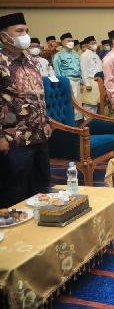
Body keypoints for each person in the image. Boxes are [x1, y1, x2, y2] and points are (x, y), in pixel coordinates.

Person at [0, 13, 52, 208]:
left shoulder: (31, 59)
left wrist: (47, 122)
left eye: (26, 31)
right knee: (15, 190)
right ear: (4, 36)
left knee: (41, 187)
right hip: (14, 137)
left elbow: (39, 95)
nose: (25, 35)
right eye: (19, 31)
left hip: (39, 133)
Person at [53, 32, 83, 122]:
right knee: (69, 102)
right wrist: (61, 83)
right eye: (68, 41)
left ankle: (78, 122)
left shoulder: (76, 54)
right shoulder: (58, 55)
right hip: (67, 80)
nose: (71, 42)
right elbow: (57, 71)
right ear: (63, 42)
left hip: (77, 80)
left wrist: (82, 82)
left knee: (78, 102)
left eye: (72, 41)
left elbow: (80, 69)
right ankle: (70, 122)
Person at [80, 36, 103, 114]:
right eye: (93, 43)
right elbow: (83, 70)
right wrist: (87, 84)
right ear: (87, 45)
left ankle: (94, 120)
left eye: (95, 43)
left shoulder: (96, 55)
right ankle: (87, 120)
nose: (95, 45)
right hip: (90, 81)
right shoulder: (84, 55)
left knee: (95, 104)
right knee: (89, 104)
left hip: (98, 82)